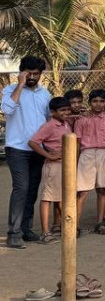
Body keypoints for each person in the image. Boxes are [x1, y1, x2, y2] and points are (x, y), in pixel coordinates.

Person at [4, 56, 52, 248]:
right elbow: (7, 109)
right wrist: (20, 84)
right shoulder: (9, 90)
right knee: (21, 188)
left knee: (32, 189)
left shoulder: (45, 94)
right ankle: (13, 233)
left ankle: (26, 229)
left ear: (41, 74)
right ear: (22, 72)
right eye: (29, 73)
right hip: (16, 148)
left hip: (38, 149)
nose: (32, 77)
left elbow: (49, 119)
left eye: (36, 74)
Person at [28, 97, 72, 244]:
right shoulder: (50, 125)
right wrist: (49, 156)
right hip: (53, 166)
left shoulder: (65, 124)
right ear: (53, 112)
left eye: (67, 109)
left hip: (65, 165)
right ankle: (45, 232)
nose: (66, 112)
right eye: (62, 110)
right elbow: (33, 142)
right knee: (47, 198)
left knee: (61, 197)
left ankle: (62, 227)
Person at [77, 89, 105, 233]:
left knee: (103, 189)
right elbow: (78, 141)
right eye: (95, 101)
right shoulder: (82, 119)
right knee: (82, 191)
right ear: (89, 103)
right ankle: (74, 223)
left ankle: (99, 222)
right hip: (86, 153)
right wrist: (75, 160)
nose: (98, 104)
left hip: (104, 153)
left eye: (101, 101)